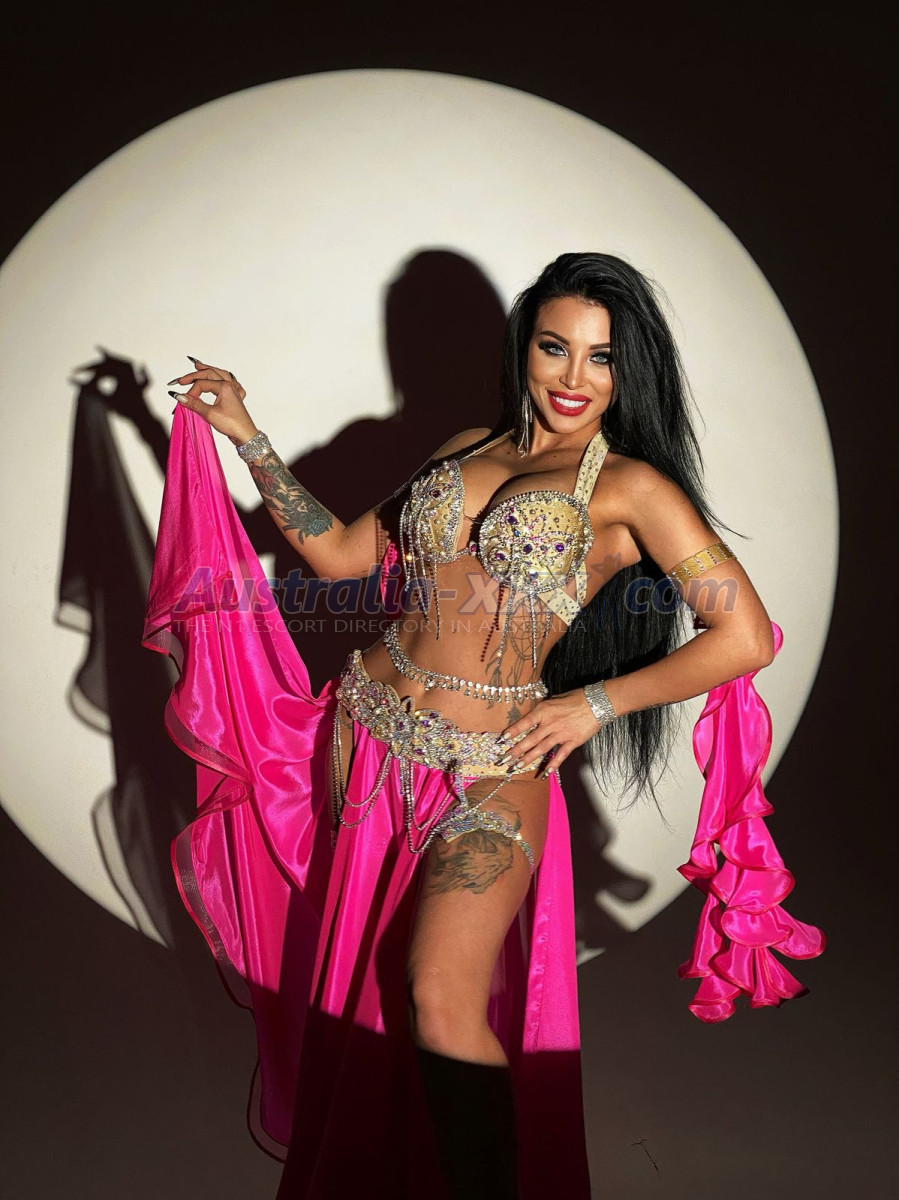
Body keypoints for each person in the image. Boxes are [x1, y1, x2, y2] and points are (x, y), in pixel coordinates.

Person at [143, 252, 823, 1199]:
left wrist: (594, 703)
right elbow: (342, 557)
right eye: (554, 348)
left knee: (437, 996)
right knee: (368, 1012)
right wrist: (246, 436)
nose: (573, 378)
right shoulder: (465, 446)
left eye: (601, 358)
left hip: (491, 773)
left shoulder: (631, 490)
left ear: (628, 372)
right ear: (524, 348)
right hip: (366, 750)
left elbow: (742, 634)